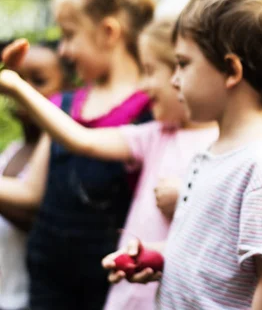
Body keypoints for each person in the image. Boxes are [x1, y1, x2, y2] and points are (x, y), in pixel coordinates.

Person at [103, 0, 262, 309]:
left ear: (231, 70)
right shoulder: (209, 155)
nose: (174, 78)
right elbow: (210, 255)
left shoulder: (261, 167)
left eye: (183, 63)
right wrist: (158, 256)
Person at [0, 19, 219, 309]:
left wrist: (187, 197)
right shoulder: (155, 135)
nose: (143, 84)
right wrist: (15, 87)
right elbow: (82, 140)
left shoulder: (222, 144)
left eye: (151, 71)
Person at [0, 0, 155, 310]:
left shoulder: (151, 110)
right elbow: (31, 194)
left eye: (70, 36)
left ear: (108, 33)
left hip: (107, 284)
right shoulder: (65, 104)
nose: (65, 51)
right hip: (48, 281)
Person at [0, 44, 66, 310]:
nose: (22, 89)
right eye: (18, 79)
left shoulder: (60, 149)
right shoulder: (13, 150)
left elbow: (31, 209)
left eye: (38, 81)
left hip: (30, 299)